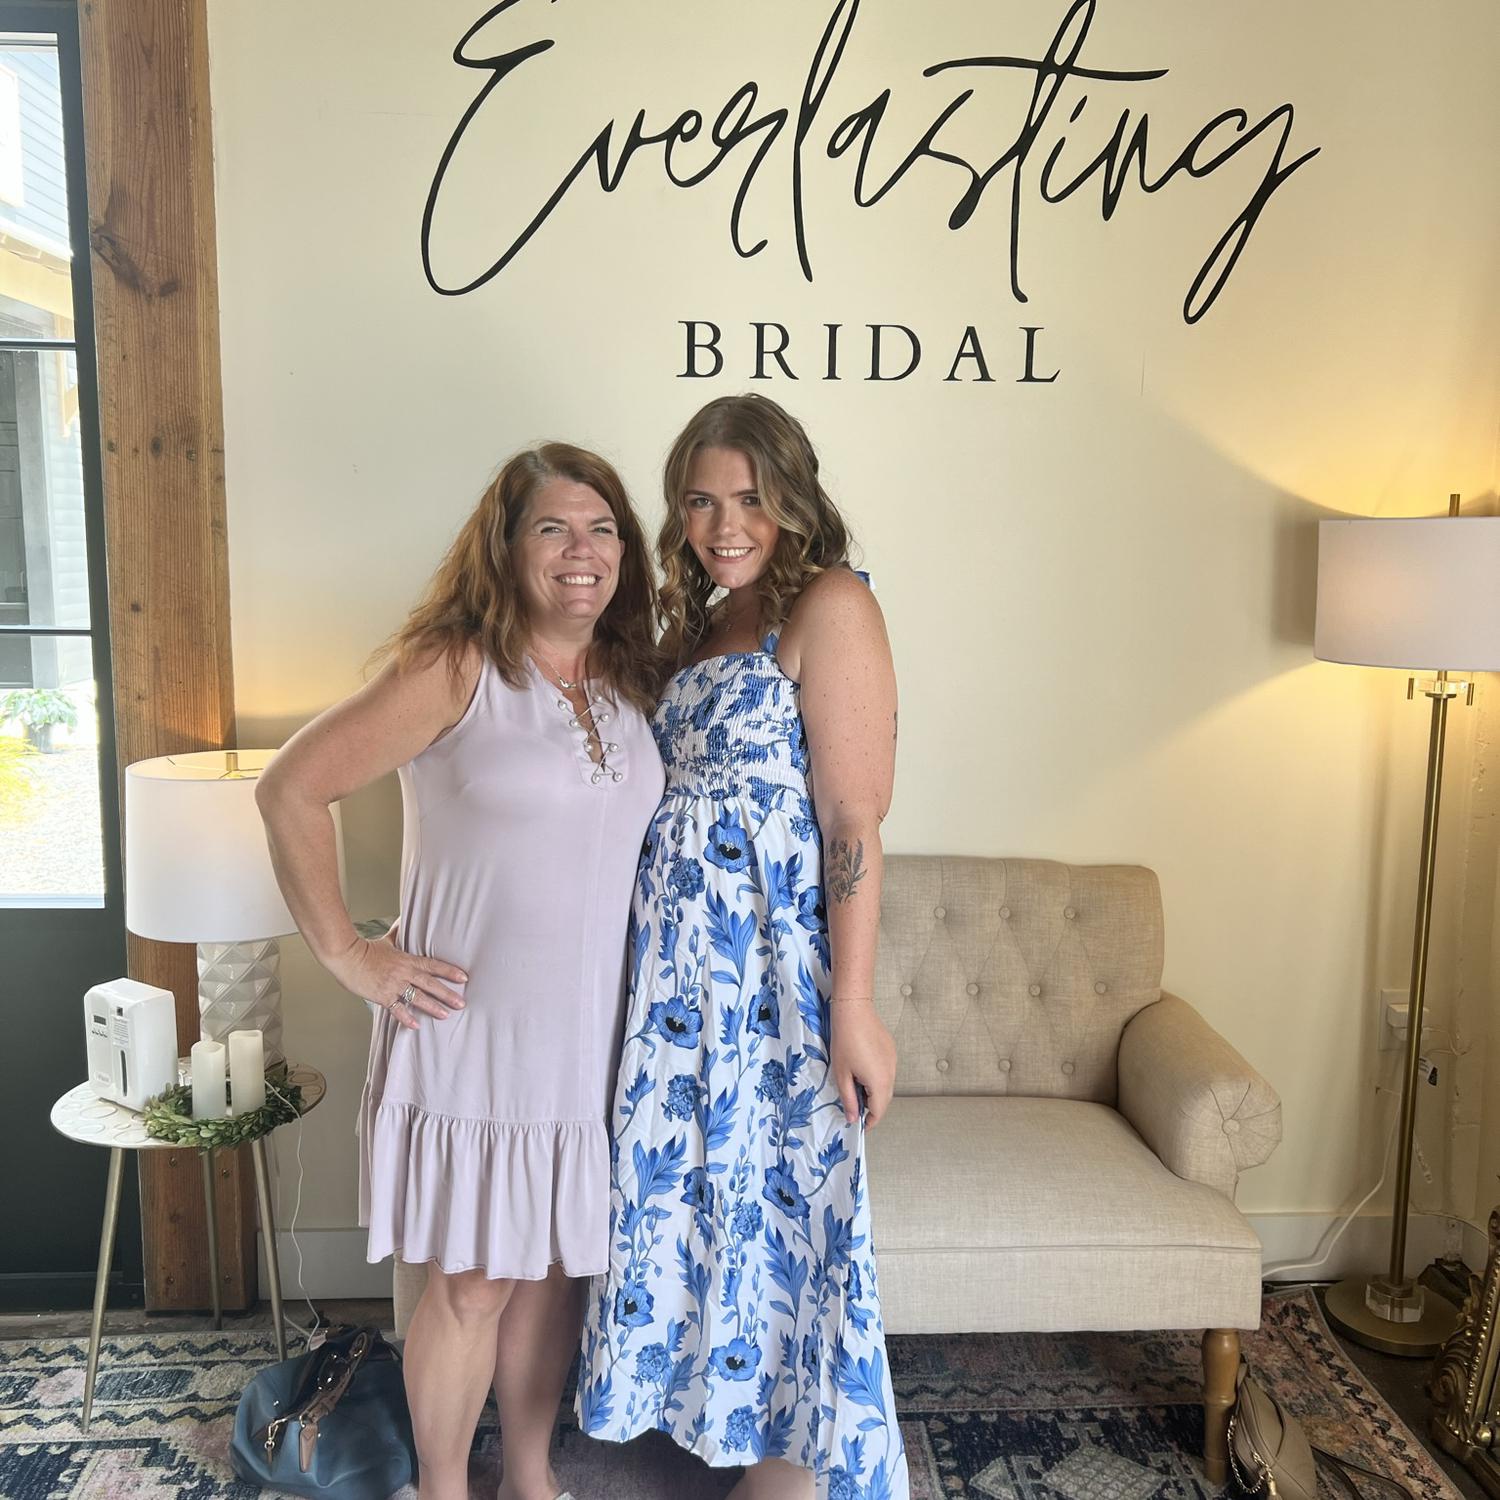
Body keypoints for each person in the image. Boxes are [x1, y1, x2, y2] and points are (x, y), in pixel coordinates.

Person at [255, 443, 665, 1500]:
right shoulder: (459, 665)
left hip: (586, 1039)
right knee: (476, 1284)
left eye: (604, 529)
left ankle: (528, 1477)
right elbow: (291, 788)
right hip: (473, 1036)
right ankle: (443, 1490)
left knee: (555, 1274)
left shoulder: (630, 679)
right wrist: (351, 955)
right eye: (553, 528)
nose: (582, 551)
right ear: (506, 546)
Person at [578, 395, 908, 1500]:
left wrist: (853, 1009)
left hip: (773, 986)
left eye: (751, 499)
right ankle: (736, 1445)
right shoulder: (697, 626)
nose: (725, 525)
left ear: (793, 499)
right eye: (700, 501)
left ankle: (798, 1474)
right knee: (706, 1212)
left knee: (788, 1217)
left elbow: (852, 821)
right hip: (678, 992)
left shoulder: (830, 604)